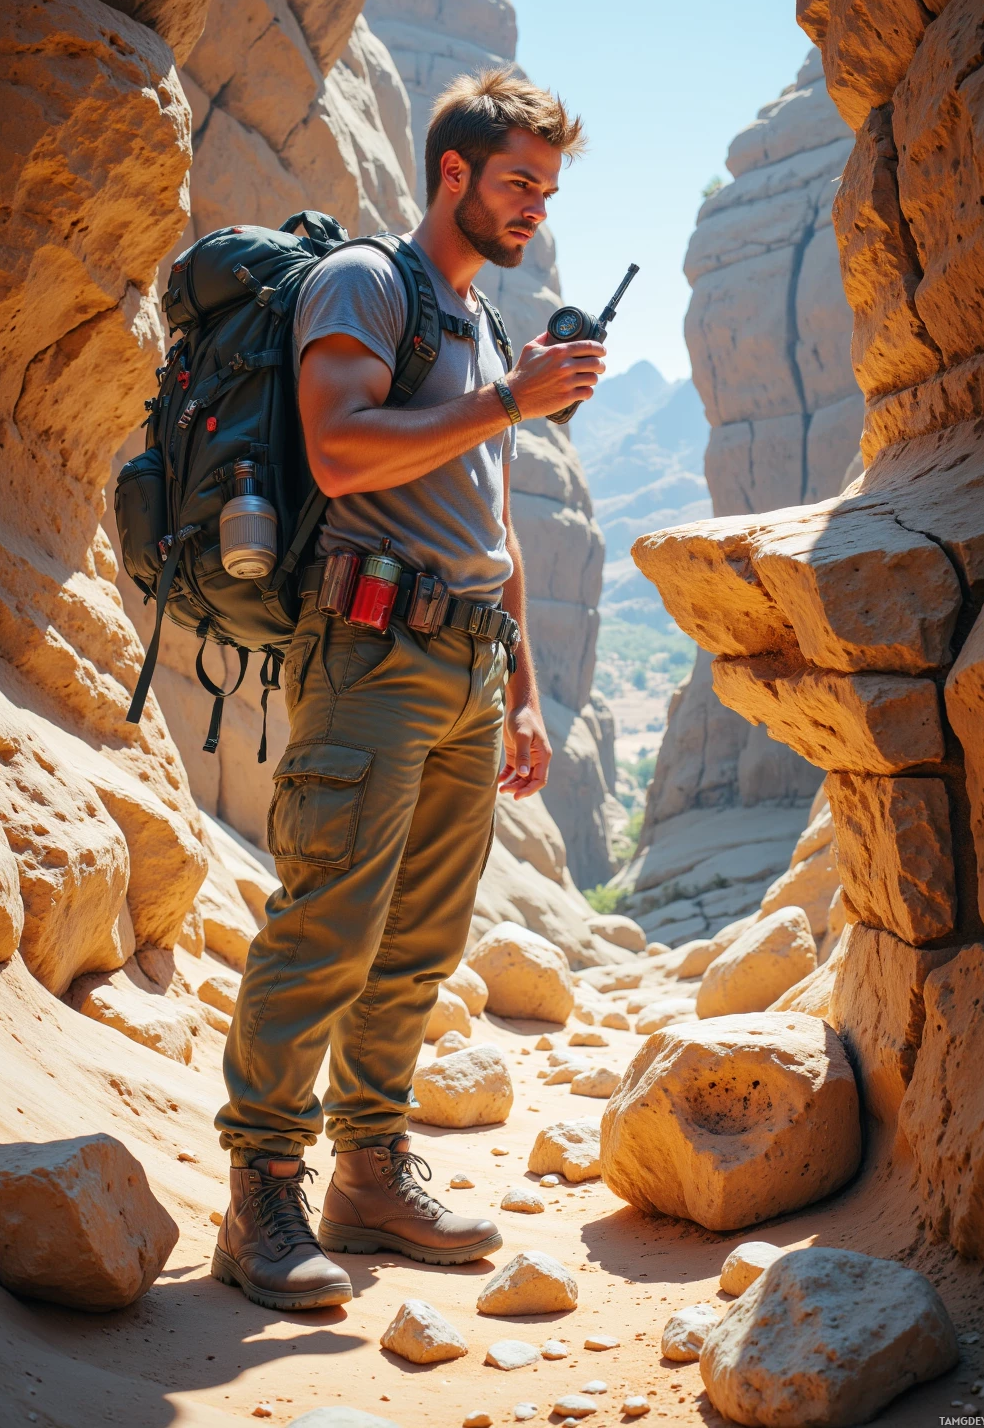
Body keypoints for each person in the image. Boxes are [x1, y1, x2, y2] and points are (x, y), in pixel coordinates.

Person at [211, 67, 603, 1311]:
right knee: (325, 920)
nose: (535, 206)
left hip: (469, 668)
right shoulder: (368, 285)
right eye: (517, 182)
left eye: (547, 188)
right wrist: (506, 402)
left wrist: (529, 694)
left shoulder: (483, 323)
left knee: (418, 946)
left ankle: (368, 1175)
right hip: (370, 656)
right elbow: (336, 447)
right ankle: (260, 1194)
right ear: (453, 174)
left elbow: (493, 530)